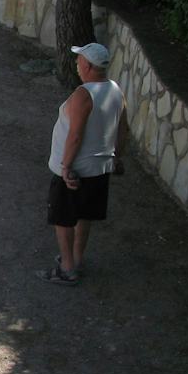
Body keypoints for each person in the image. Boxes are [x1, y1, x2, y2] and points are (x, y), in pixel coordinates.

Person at [38, 42, 128, 286]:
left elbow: (75, 135)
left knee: (63, 218)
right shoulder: (115, 90)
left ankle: (67, 268)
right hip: (99, 169)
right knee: (84, 216)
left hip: (75, 170)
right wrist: (116, 157)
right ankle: (77, 259)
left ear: (88, 65)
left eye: (79, 61)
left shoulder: (83, 94)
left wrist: (66, 167)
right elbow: (123, 130)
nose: (77, 64)